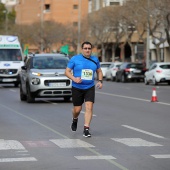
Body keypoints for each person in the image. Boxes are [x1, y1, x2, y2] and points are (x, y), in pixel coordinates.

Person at [65, 41, 103, 137]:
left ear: (91, 49)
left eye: (89, 48)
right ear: (82, 49)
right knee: (77, 109)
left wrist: (100, 81)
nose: (87, 50)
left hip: (89, 87)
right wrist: (74, 78)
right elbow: (67, 71)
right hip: (77, 87)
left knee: (89, 107)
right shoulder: (75, 59)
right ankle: (75, 119)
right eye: (85, 48)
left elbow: (99, 71)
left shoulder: (95, 59)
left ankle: (86, 129)